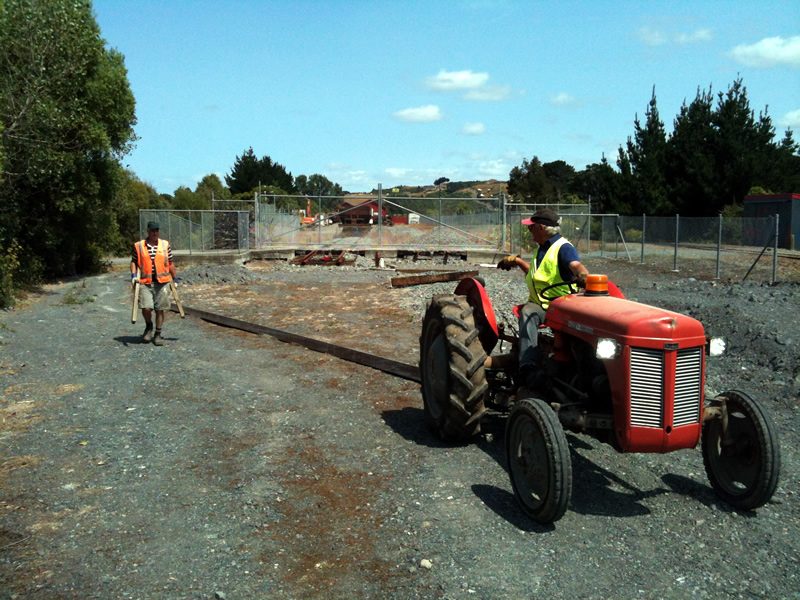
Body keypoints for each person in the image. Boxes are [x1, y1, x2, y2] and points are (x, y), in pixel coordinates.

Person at [497, 208, 589, 389]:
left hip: (559, 307)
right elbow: (537, 276)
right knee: (529, 309)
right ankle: (528, 365)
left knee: (528, 312)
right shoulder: (543, 248)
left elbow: (576, 265)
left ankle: (527, 367)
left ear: (540, 228)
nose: (528, 231)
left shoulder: (563, 248)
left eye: (531, 228)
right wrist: (518, 262)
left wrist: (584, 276)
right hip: (544, 304)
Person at [131, 221, 177, 346]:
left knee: (160, 309)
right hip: (145, 282)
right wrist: (133, 276)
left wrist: (175, 278)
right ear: (148, 231)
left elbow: (170, 263)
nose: (154, 233)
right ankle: (149, 326)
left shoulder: (165, 245)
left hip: (162, 283)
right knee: (146, 307)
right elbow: (134, 262)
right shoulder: (139, 246)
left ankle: (158, 334)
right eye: (152, 230)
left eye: (156, 230)